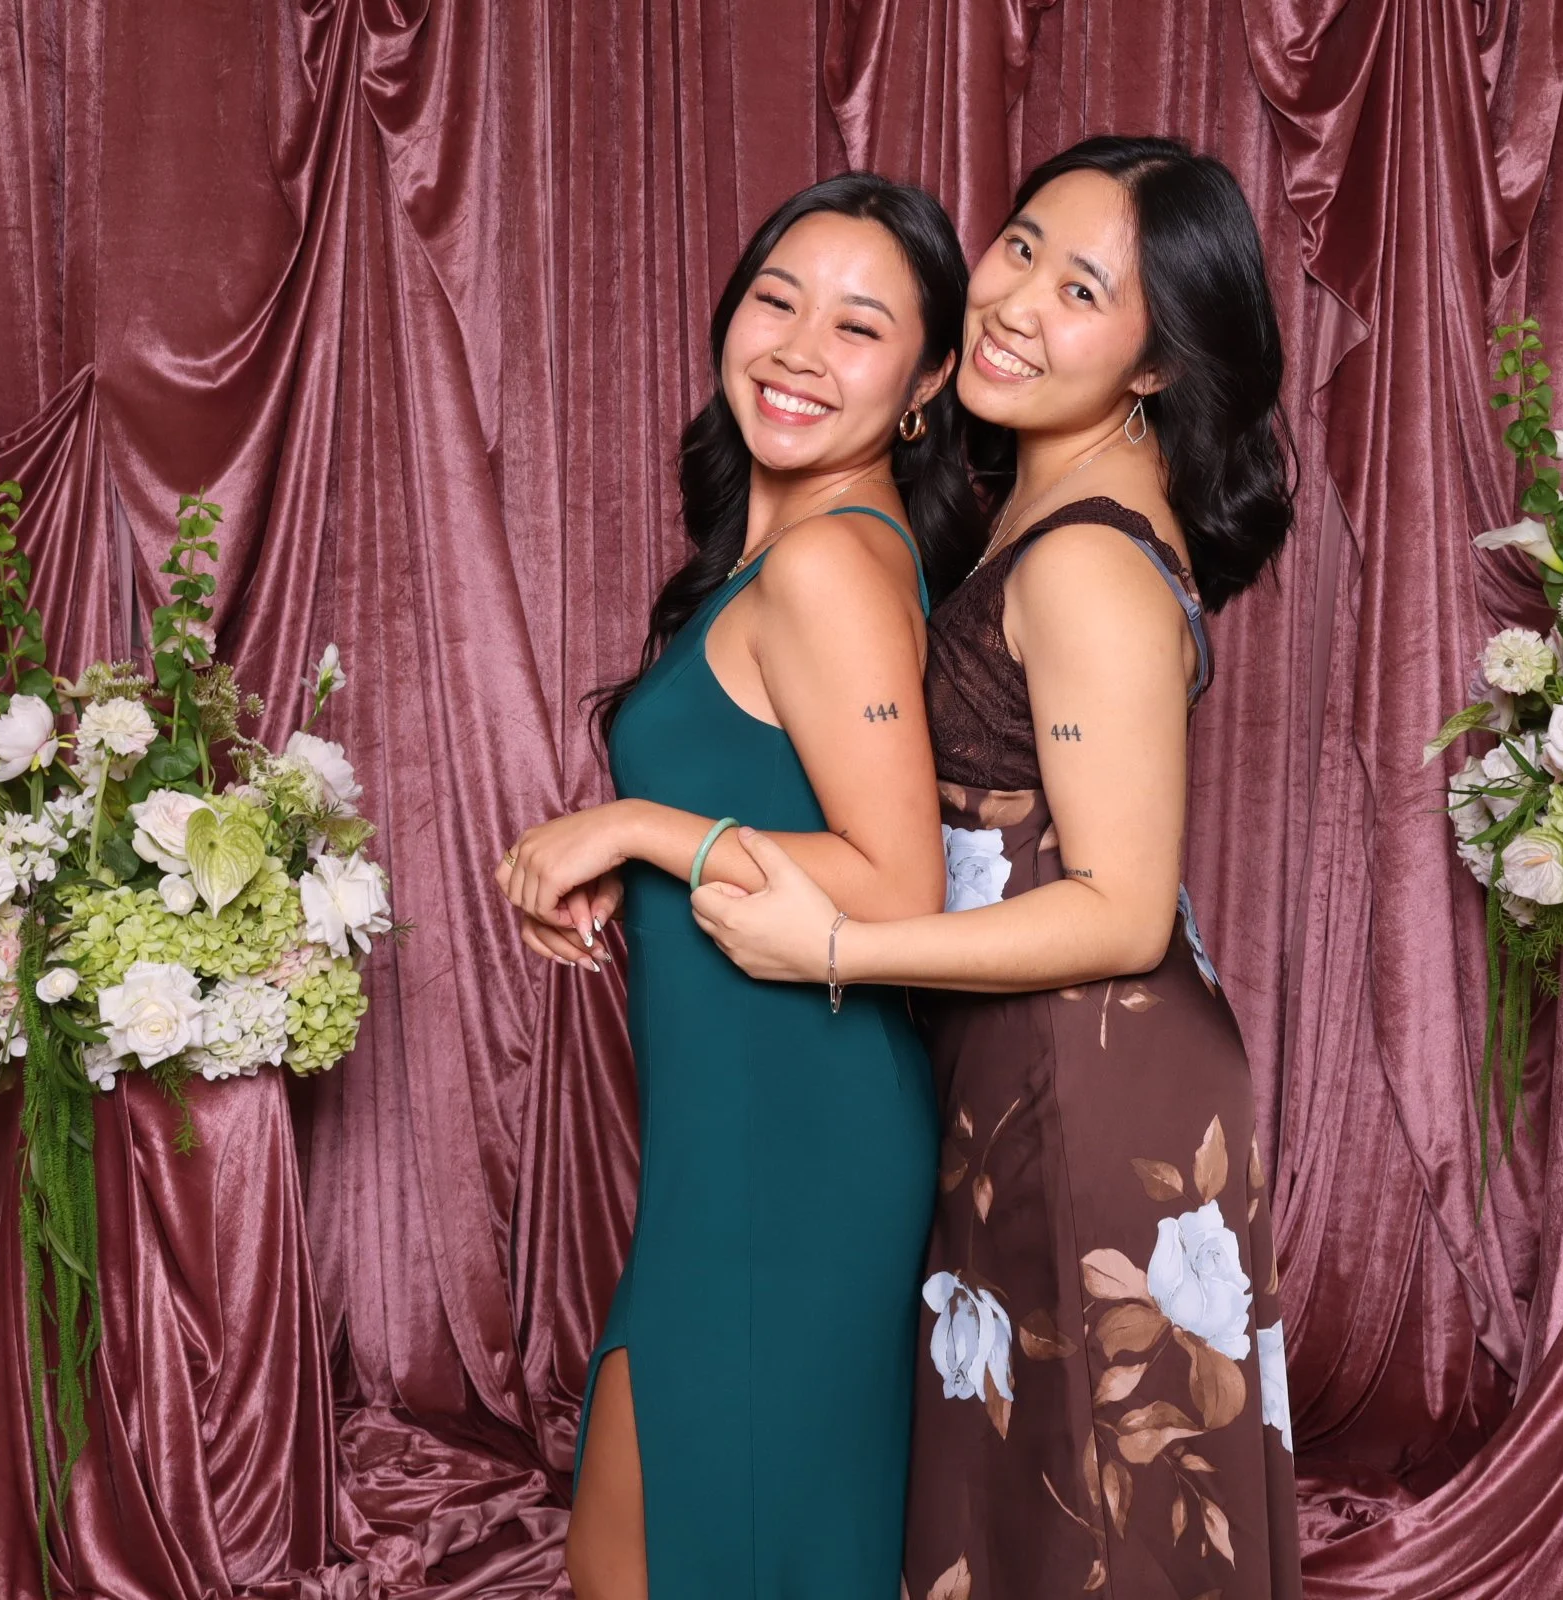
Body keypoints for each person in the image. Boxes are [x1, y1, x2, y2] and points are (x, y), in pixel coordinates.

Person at [690, 136, 1303, 1599]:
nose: (1019, 300)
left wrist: (833, 952)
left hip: (1090, 1083)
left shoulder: (1087, 556)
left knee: (1101, 1512)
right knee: (1036, 1504)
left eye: (1084, 288)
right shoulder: (1029, 496)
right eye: (1021, 246)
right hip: (1019, 1069)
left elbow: (1117, 907)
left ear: (1155, 364)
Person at [493, 172, 981, 1599]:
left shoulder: (831, 564)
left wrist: (642, 829)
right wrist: (641, 846)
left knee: (723, 1551)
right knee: (659, 1551)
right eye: (777, 300)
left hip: (800, 1149)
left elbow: (902, 888)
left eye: (858, 326)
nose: (796, 348)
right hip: (728, 1148)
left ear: (927, 383)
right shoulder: (775, 560)